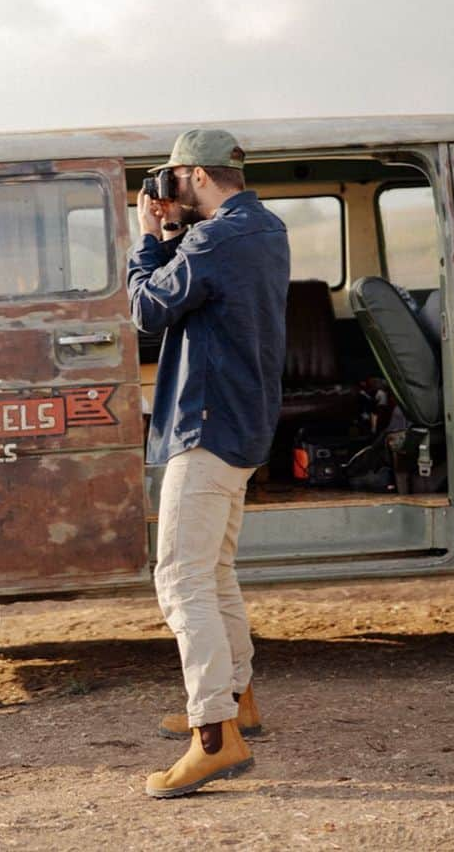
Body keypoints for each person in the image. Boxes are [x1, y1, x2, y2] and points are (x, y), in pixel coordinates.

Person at [127, 127, 290, 799]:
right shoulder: (266, 229)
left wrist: (147, 237)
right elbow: (192, 295)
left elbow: (145, 309)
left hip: (204, 427)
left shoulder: (214, 239)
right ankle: (238, 697)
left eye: (172, 179)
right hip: (243, 424)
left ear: (195, 176)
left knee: (182, 579)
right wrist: (174, 238)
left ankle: (215, 736)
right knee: (215, 571)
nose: (167, 192)